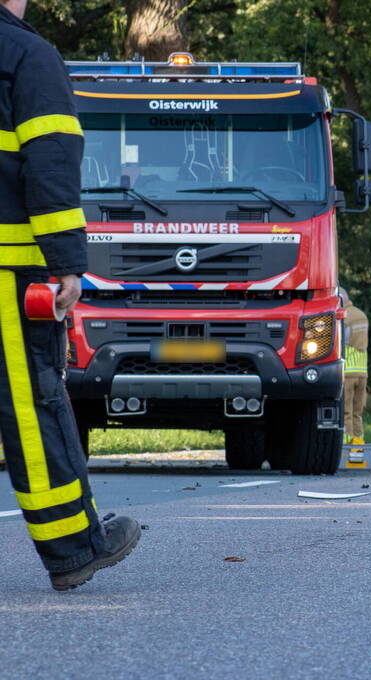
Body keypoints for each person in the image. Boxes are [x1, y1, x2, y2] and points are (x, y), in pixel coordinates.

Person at [1, 0, 141, 590]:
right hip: (11, 270)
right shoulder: (27, 55)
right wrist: (67, 264)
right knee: (34, 409)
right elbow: (52, 164)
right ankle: (73, 547)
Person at [341, 289, 369, 445]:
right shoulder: (362, 315)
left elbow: (343, 342)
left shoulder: (344, 316)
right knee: (358, 412)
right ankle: (359, 441)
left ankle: (346, 442)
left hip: (348, 370)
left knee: (346, 411)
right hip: (362, 370)